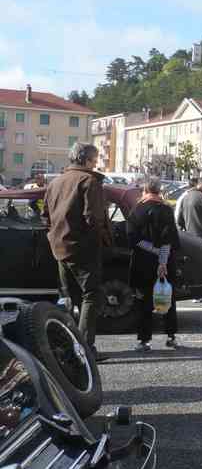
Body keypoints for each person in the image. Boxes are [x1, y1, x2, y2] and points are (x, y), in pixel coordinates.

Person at [44, 143, 112, 359]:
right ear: (86, 160)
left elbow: (45, 216)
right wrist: (102, 241)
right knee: (91, 295)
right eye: (95, 159)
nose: (96, 163)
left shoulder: (56, 182)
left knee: (70, 298)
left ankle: (67, 346)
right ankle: (83, 349)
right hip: (83, 248)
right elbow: (94, 218)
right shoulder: (89, 181)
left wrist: (54, 235)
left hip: (59, 246)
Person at [127, 177, 180, 352]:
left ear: (144, 191)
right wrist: (163, 261)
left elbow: (133, 238)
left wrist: (152, 251)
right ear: (159, 191)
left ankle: (144, 341)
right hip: (165, 261)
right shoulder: (166, 209)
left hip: (143, 262)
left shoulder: (137, 210)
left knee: (144, 302)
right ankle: (171, 337)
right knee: (168, 299)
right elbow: (169, 239)